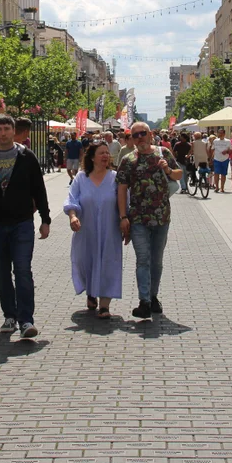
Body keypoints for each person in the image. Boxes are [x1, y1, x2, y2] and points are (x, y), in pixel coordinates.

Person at [0, 114, 51, 339]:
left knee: (23, 271)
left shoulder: (26, 156)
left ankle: (26, 320)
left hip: (22, 223)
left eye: (7, 128)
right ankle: (10, 315)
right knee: (1, 273)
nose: (3, 133)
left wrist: (45, 219)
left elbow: (39, 189)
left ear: (13, 131)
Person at [117, 121, 182, 320]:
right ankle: (144, 301)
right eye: (135, 135)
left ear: (150, 134)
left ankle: (153, 296)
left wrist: (168, 170)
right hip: (138, 218)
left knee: (157, 261)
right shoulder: (128, 159)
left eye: (142, 134)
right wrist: (122, 216)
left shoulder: (163, 153)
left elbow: (179, 174)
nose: (139, 138)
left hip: (162, 216)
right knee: (143, 259)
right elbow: (121, 188)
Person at [64, 142, 123, 318]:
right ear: (92, 157)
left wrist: (125, 222)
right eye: (101, 153)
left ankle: (105, 304)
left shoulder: (115, 177)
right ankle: (91, 292)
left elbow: (124, 202)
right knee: (85, 261)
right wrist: (73, 216)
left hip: (109, 230)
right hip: (86, 230)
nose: (105, 156)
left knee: (108, 263)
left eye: (107, 153)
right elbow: (72, 199)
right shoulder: (81, 178)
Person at [212, 127, 232, 193]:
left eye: (221, 133)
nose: (219, 134)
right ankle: (217, 187)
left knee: (223, 174)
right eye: (219, 133)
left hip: (225, 159)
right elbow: (213, 149)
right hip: (217, 159)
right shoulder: (215, 141)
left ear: (224, 134)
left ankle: (222, 187)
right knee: (216, 173)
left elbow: (231, 150)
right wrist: (210, 157)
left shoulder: (228, 141)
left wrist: (226, 151)